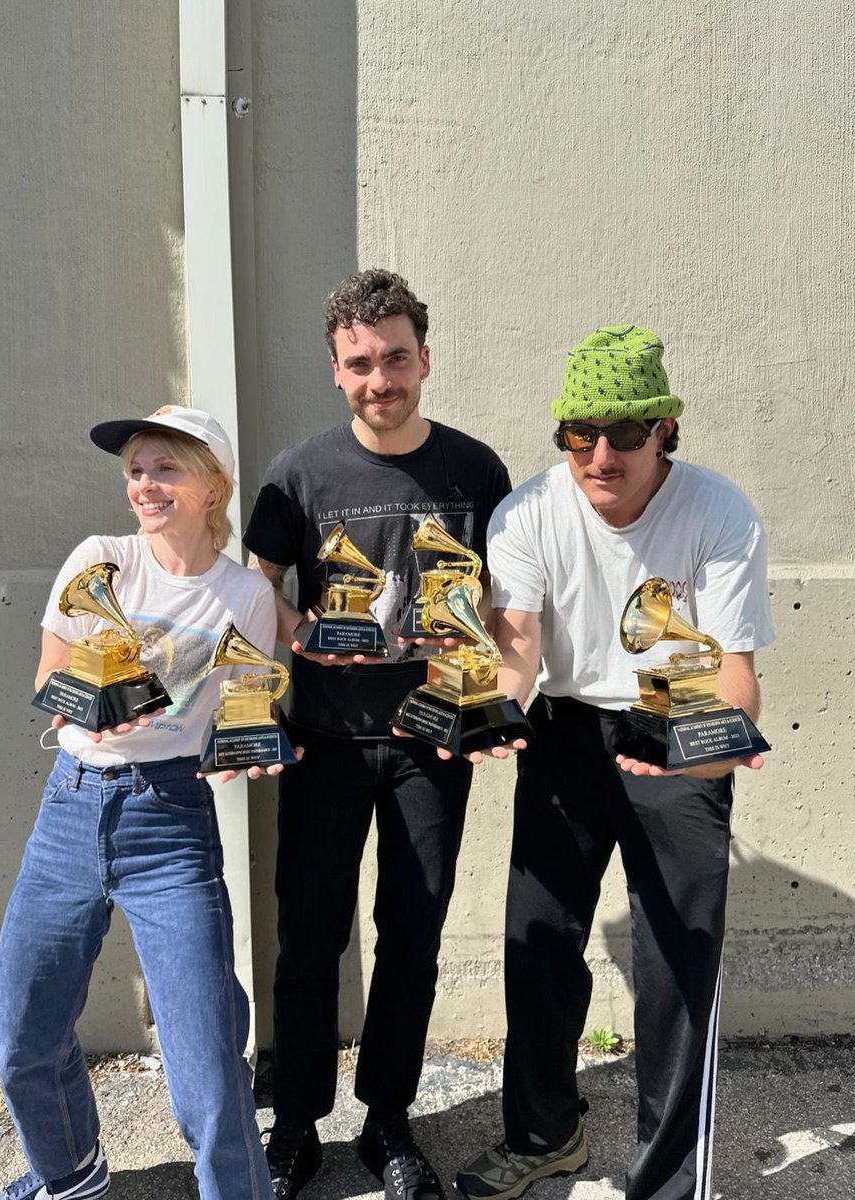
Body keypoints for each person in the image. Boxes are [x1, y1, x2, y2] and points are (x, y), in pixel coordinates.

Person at [456, 325, 775, 1200]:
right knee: (539, 938)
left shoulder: (719, 511)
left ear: (665, 430)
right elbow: (517, 648)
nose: (601, 455)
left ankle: (670, 1179)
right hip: (563, 732)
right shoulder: (525, 512)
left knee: (677, 959)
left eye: (625, 435)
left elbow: (739, 672)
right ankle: (545, 1137)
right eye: (579, 434)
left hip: (678, 723)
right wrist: (487, 712)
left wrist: (717, 754)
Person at [243, 269, 512, 1200]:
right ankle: (297, 1126)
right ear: (336, 370)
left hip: (432, 744)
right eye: (359, 363)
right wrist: (301, 632)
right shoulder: (298, 472)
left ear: (424, 359)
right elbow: (256, 582)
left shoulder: (476, 469)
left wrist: (483, 680)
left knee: (413, 934)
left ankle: (389, 1121)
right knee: (309, 936)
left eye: (396, 358)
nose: (379, 379)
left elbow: (499, 599)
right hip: (321, 738)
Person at [0, 406, 279, 1200]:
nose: (144, 485)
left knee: (208, 1075)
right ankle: (71, 1172)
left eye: (166, 468)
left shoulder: (245, 594)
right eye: (136, 470)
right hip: (72, 808)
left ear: (214, 484)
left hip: (171, 821)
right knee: (22, 1035)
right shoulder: (102, 558)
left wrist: (245, 749)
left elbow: (246, 702)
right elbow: (49, 675)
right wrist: (93, 701)